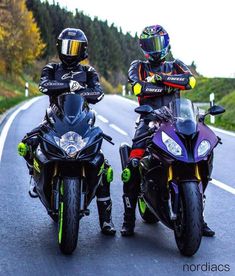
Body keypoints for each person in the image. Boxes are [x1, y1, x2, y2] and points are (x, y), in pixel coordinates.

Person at [19, 28, 116, 235]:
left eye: (75, 47)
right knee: (28, 144)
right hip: (55, 118)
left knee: (102, 165)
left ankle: (106, 221)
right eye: (66, 46)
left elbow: (97, 92)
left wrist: (78, 89)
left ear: (83, 50)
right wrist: (69, 84)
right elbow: (44, 85)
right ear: (59, 47)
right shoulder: (51, 68)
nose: (70, 52)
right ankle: (32, 173)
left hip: (82, 122)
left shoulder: (89, 72)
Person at [120, 24, 214, 237]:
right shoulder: (138, 66)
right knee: (134, 162)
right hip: (149, 120)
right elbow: (138, 88)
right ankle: (128, 218)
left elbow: (190, 82)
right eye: (150, 44)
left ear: (166, 44)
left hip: (177, 120)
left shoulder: (177, 64)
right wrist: (172, 85)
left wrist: (160, 80)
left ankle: (197, 216)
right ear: (143, 47)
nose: (155, 48)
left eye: (158, 43)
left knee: (201, 155)